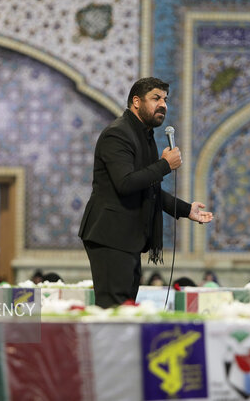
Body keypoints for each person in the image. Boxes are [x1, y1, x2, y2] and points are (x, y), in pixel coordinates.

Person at [79, 77, 214, 308]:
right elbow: (125, 183)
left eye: (165, 99)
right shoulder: (118, 134)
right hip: (111, 235)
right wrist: (164, 165)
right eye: (156, 98)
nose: (163, 105)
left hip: (127, 238)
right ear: (136, 102)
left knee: (126, 308)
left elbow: (149, 190)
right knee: (114, 308)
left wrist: (185, 209)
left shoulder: (144, 137)